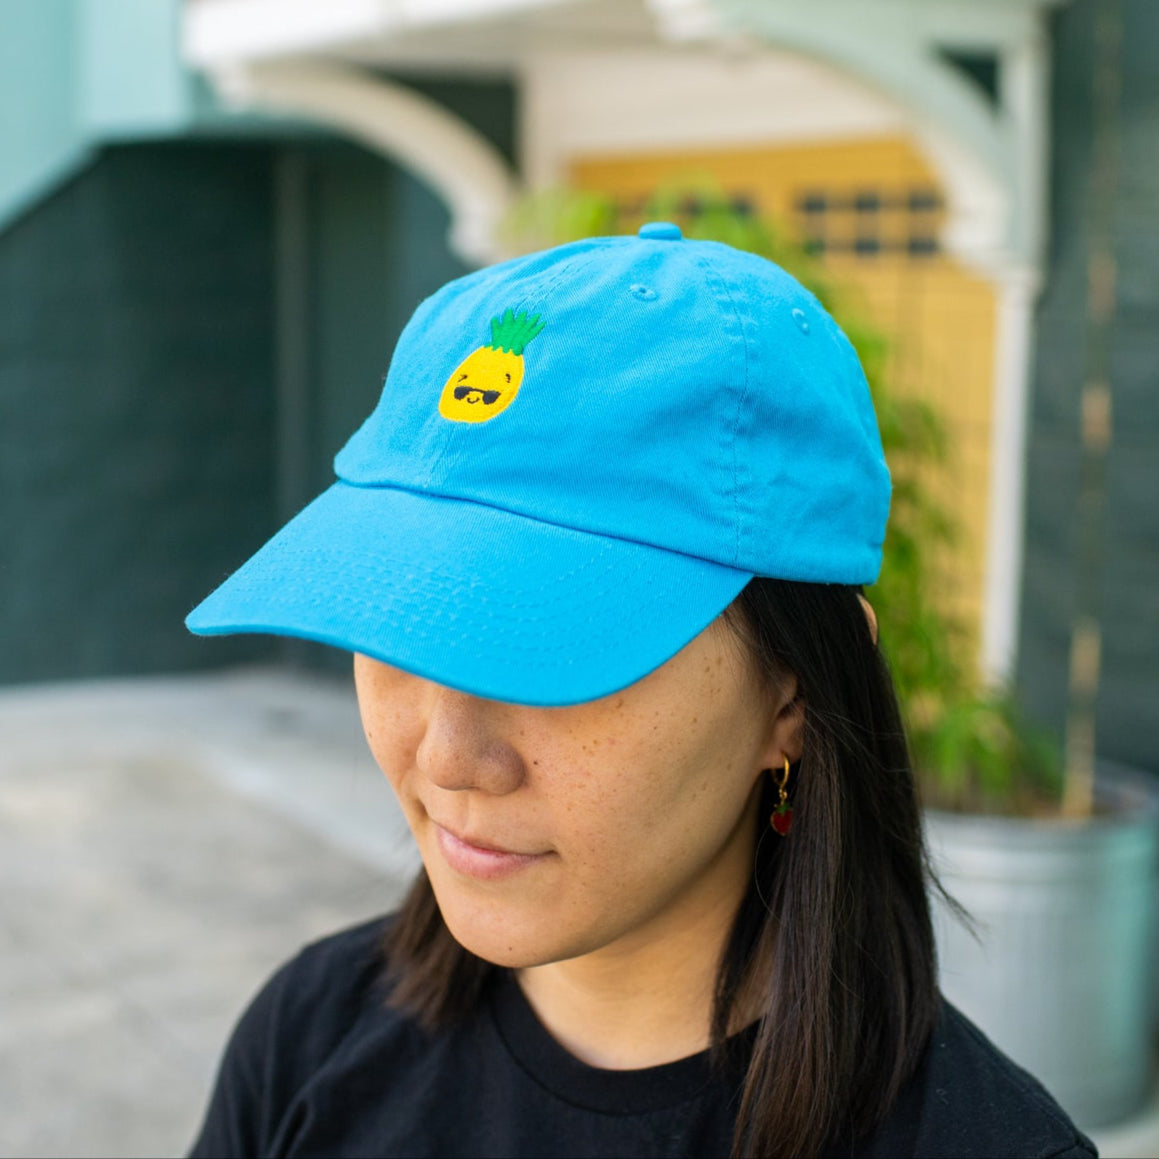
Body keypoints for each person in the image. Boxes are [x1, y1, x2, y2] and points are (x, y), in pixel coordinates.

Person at [184, 223, 1096, 1159]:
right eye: (402, 624)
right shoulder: (305, 1040)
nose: (449, 757)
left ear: (796, 700)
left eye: (551, 653)